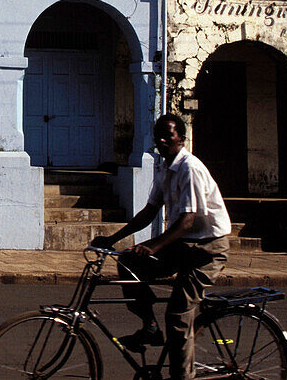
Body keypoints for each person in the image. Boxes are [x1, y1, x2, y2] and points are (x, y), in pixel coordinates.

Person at [91, 113, 231, 380]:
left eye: (169, 135)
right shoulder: (164, 167)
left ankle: (182, 377)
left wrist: (154, 246)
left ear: (182, 138)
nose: (163, 140)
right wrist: (112, 240)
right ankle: (150, 326)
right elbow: (149, 211)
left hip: (207, 248)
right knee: (128, 262)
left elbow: (187, 221)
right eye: (159, 137)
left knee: (178, 316)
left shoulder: (190, 168)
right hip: (185, 243)